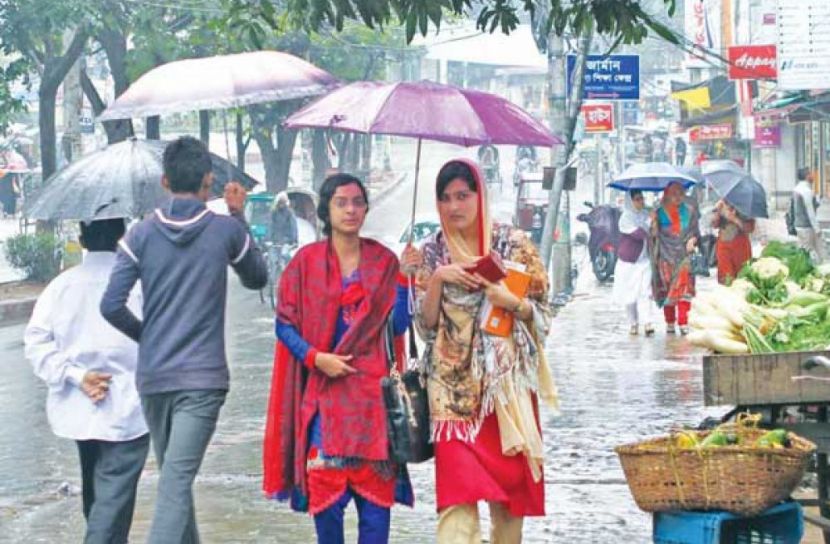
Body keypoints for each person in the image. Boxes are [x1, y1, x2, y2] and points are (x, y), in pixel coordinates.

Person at [100, 136, 268, 544]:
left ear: (164, 181)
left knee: (175, 479)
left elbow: (111, 305)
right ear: (209, 181)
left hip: (155, 376)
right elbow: (258, 278)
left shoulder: (139, 235)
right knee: (175, 483)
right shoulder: (226, 231)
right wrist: (238, 214)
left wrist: (149, 336)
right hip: (203, 380)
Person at [263, 173, 422, 544]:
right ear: (326, 210)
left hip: (373, 409)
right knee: (328, 529)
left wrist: (404, 280)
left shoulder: (384, 262)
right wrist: (317, 358)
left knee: (375, 528)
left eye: (357, 202)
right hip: (325, 406)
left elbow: (396, 326)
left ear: (366, 207)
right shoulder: (305, 263)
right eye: (341, 202)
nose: (351, 210)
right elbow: (284, 327)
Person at [414, 159, 558, 543]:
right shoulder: (431, 253)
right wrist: (438, 281)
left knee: (509, 499)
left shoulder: (513, 244)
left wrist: (508, 300)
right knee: (456, 496)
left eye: (463, 195)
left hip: (504, 391)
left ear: (481, 196)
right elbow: (425, 327)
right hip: (450, 390)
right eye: (445, 198)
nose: (454, 206)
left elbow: (543, 317)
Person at [24, 218, 149, 544]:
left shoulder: (59, 287)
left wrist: (77, 377)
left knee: (97, 492)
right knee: (113, 496)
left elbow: (37, 343)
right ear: (123, 237)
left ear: (82, 239)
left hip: (78, 405)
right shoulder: (138, 285)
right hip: (128, 406)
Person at [651, 181, 700, 335]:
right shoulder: (659, 213)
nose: (678, 197)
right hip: (666, 257)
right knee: (668, 291)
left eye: (681, 193)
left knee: (685, 290)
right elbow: (653, 236)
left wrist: (693, 240)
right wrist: (652, 224)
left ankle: (683, 322)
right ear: (667, 195)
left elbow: (695, 232)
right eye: (674, 194)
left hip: (684, 257)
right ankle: (670, 322)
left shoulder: (690, 212)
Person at [613, 190, 656, 336]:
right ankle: (633, 323)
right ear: (630, 201)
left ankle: (648, 323)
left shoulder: (645, 214)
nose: (640, 202)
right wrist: (649, 222)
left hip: (644, 261)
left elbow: (653, 232)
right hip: (629, 263)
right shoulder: (626, 218)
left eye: (641, 199)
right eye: (637, 199)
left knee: (645, 292)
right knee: (629, 295)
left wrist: (652, 220)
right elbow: (639, 234)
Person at [713, 199, 755, 284]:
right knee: (726, 279)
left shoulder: (746, 206)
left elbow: (750, 228)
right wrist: (716, 210)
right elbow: (714, 224)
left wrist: (734, 219)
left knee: (742, 279)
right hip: (724, 244)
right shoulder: (722, 204)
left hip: (740, 246)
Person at [792, 167, 826, 263]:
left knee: (805, 251)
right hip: (807, 227)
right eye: (811, 174)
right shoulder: (806, 191)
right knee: (811, 253)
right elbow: (810, 211)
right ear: (807, 176)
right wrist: (817, 228)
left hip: (799, 225)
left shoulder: (797, 189)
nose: (813, 176)